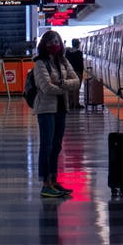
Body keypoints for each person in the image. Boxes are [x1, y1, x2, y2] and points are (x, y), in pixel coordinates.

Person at [31, 30, 80, 198]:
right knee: (47, 146)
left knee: (57, 146)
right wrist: (65, 86)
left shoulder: (63, 61)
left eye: (56, 41)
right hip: (46, 110)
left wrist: (60, 82)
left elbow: (77, 82)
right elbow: (46, 87)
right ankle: (46, 184)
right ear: (43, 45)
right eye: (50, 42)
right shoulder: (39, 64)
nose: (54, 44)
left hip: (61, 109)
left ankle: (54, 180)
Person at [65, 38, 85, 108]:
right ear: (78, 45)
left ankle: (70, 103)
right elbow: (81, 64)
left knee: (70, 88)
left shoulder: (68, 53)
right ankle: (76, 103)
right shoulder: (79, 53)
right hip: (77, 72)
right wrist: (81, 73)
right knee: (76, 89)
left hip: (69, 73)